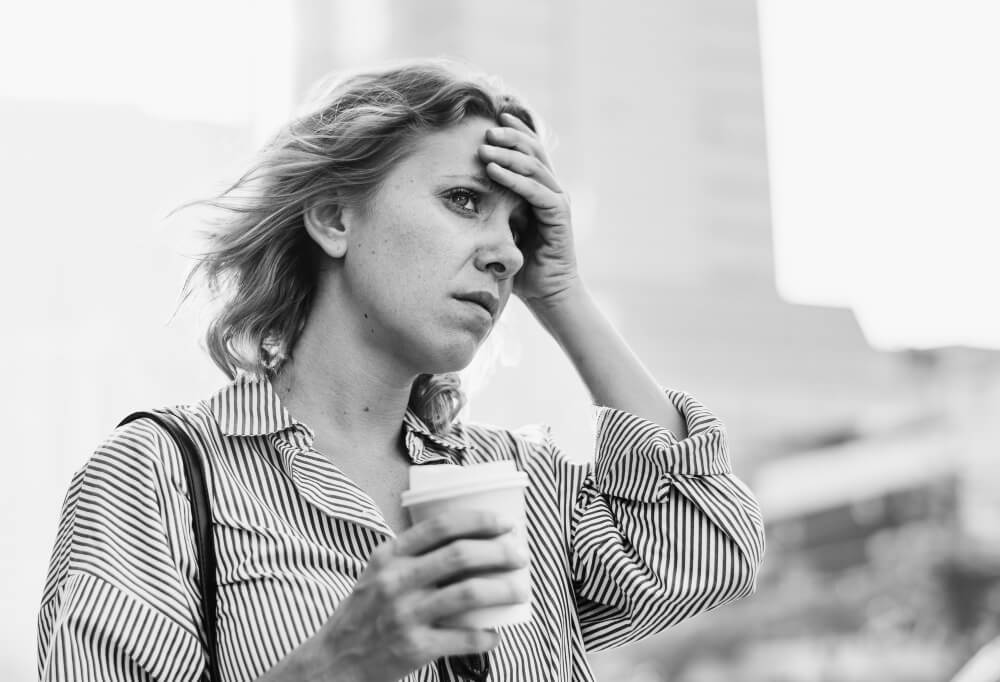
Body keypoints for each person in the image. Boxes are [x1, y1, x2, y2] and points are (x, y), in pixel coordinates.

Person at [36, 59, 766, 681]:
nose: (506, 254)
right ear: (333, 217)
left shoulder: (519, 484)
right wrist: (340, 662)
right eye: (464, 201)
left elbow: (704, 550)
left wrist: (564, 291)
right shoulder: (158, 480)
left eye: (518, 229)